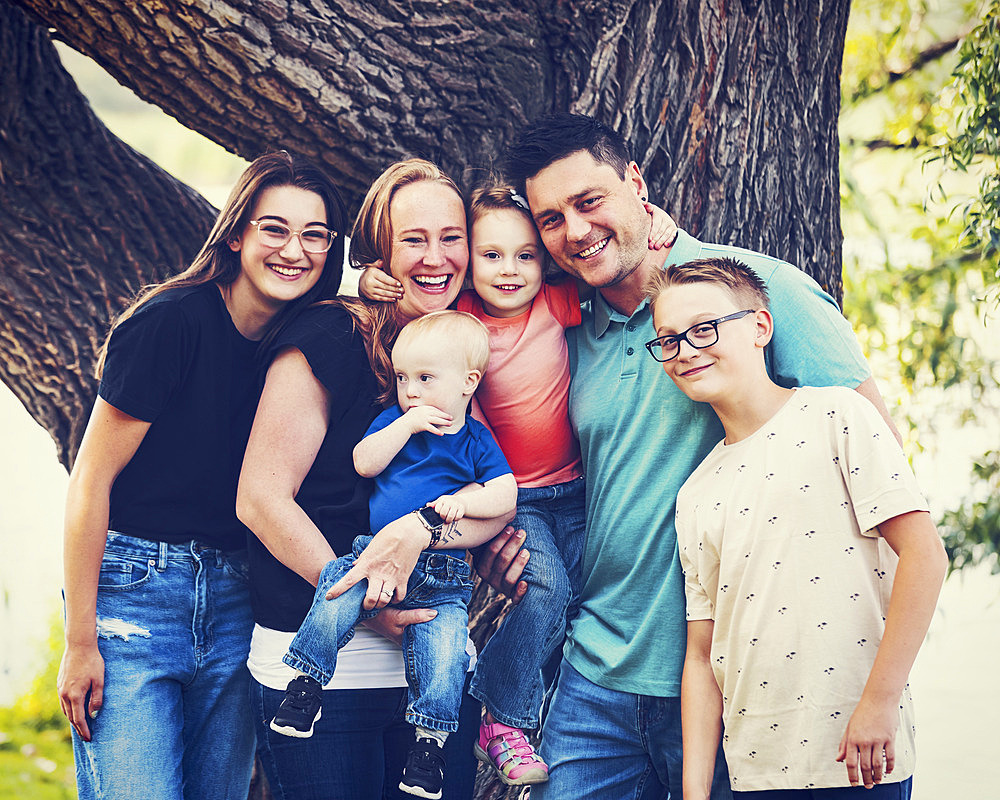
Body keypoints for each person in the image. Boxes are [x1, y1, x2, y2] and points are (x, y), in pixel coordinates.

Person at [491, 112, 901, 799]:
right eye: (552, 219)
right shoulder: (566, 325)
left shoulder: (758, 294)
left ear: (635, 182)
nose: (576, 230)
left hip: (739, 681)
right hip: (596, 682)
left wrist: (872, 684)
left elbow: (879, 477)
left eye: (590, 201)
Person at [360, 176, 676, 787]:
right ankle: (501, 717)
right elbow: (404, 309)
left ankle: (560, 710)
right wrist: (368, 283)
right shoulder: (459, 321)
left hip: (578, 488)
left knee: (590, 593)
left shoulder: (556, 304)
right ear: (470, 261)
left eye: (526, 255)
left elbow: (619, 268)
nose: (510, 270)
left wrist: (654, 220)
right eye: (491, 255)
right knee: (548, 591)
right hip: (515, 496)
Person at [56, 151, 346, 800]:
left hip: (239, 598)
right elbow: (90, 482)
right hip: (134, 599)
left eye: (314, 234)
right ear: (237, 231)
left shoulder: (309, 340)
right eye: (275, 228)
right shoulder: (169, 323)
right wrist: (80, 642)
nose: (294, 250)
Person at [237, 159, 514, 800]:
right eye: (413, 239)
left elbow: (493, 496)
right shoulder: (329, 334)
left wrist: (421, 534)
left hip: (434, 667)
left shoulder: (464, 346)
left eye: (452, 238)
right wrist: (366, 597)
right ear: (379, 250)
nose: (436, 257)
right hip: (324, 664)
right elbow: (260, 497)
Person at [644, 257, 947, 799]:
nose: (685, 350)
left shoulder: (838, 417)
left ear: (760, 327)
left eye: (704, 328)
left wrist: (879, 703)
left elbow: (925, 556)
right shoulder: (695, 492)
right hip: (753, 771)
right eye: (667, 340)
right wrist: (694, 793)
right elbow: (700, 655)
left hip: (860, 758)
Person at [267, 310, 517, 799]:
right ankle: (307, 685)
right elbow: (364, 462)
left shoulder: (474, 440)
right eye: (403, 378)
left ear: (469, 383)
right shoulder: (393, 422)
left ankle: (430, 745)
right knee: (335, 592)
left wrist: (463, 503)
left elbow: (505, 494)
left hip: (443, 577)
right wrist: (405, 425)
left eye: (425, 378)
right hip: (373, 555)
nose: (412, 390)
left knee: (444, 652)